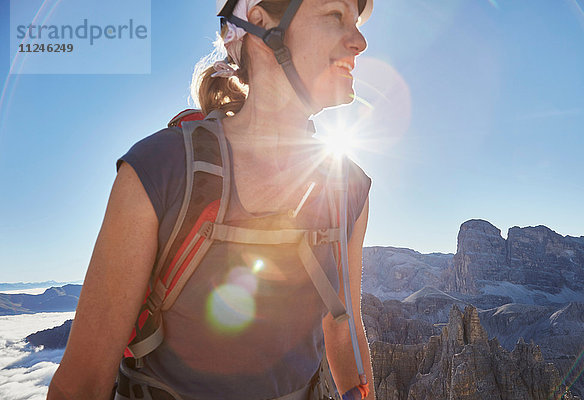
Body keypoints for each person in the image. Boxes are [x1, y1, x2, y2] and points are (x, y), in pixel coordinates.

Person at [48, 0, 374, 399]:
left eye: (355, 23)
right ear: (259, 22)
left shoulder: (349, 188)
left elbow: (343, 327)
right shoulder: (160, 171)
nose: (359, 41)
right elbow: (81, 384)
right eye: (335, 15)